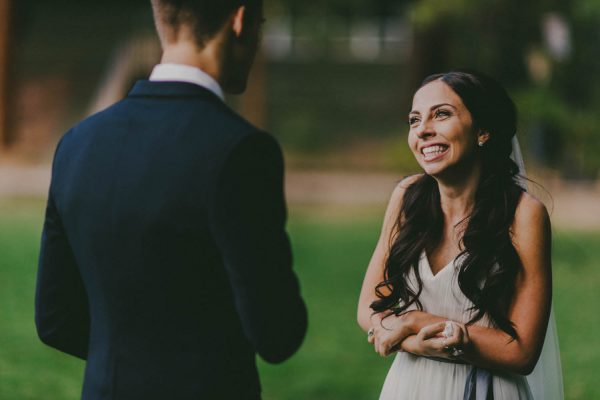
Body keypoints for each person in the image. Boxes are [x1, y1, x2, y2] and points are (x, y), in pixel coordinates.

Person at [35, 1, 307, 399]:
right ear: (240, 20)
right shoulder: (241, 151)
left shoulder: (77, 144)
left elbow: (55, 320)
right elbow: (278, 333)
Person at [357, 70, 563, 399]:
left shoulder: (523, 214)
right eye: (414, 119)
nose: (423, 130)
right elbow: (368, 305)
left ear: (482, 131)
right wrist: (413, 339)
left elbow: (522, 352)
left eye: (441, 114)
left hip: (487, 390)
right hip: (409, 387)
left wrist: (416, 321)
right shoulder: (406, 198)